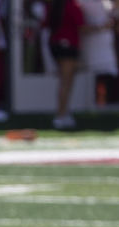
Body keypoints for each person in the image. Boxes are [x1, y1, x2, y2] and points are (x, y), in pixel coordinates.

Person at [46, 0, 84, 130]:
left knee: (65, 81)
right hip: (68, 46)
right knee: (66, 82)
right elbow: (82, 26)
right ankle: (61, 115)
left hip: (56, 44)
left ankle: (64, 113)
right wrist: (102, 27)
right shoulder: (71, 5)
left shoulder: (55, 5)